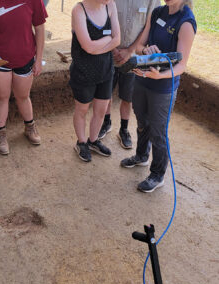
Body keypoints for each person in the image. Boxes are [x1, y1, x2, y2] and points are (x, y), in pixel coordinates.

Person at [121, 0, 196, 192]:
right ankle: (141, 156)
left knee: (158, 131)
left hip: (163, 87)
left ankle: (157, 174)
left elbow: (181, 65)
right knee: (141, 120)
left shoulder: (186, 22)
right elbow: (139, 46)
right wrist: (146, 50)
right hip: (142, 79)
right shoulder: (156, 12)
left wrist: (160, 74)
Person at [0, 0, 47, 155]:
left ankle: (30, 127)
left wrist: (38, 59)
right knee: (2, 96)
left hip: (25, 56)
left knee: (23, 96)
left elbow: (39, 27)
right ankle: (0, 133)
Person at [98, 0, 160, 150]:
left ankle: (124, 129)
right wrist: (113, 49)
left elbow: (149, 26)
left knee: (128, 96)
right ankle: (106, 123)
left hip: (133, 58)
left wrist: (130, 50)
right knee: (106, 94)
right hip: (109, 54)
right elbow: (102, 19)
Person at [70, 0, 120, 162]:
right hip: (84, 71)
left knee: (101, 109)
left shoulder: (110, 5)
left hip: (105, 70)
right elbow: (87, 47)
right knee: (82, 110)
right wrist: (107, 40)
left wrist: (101, 45)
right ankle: (82, 142)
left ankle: (93, 140)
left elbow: (117, 39)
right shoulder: (79, 10)